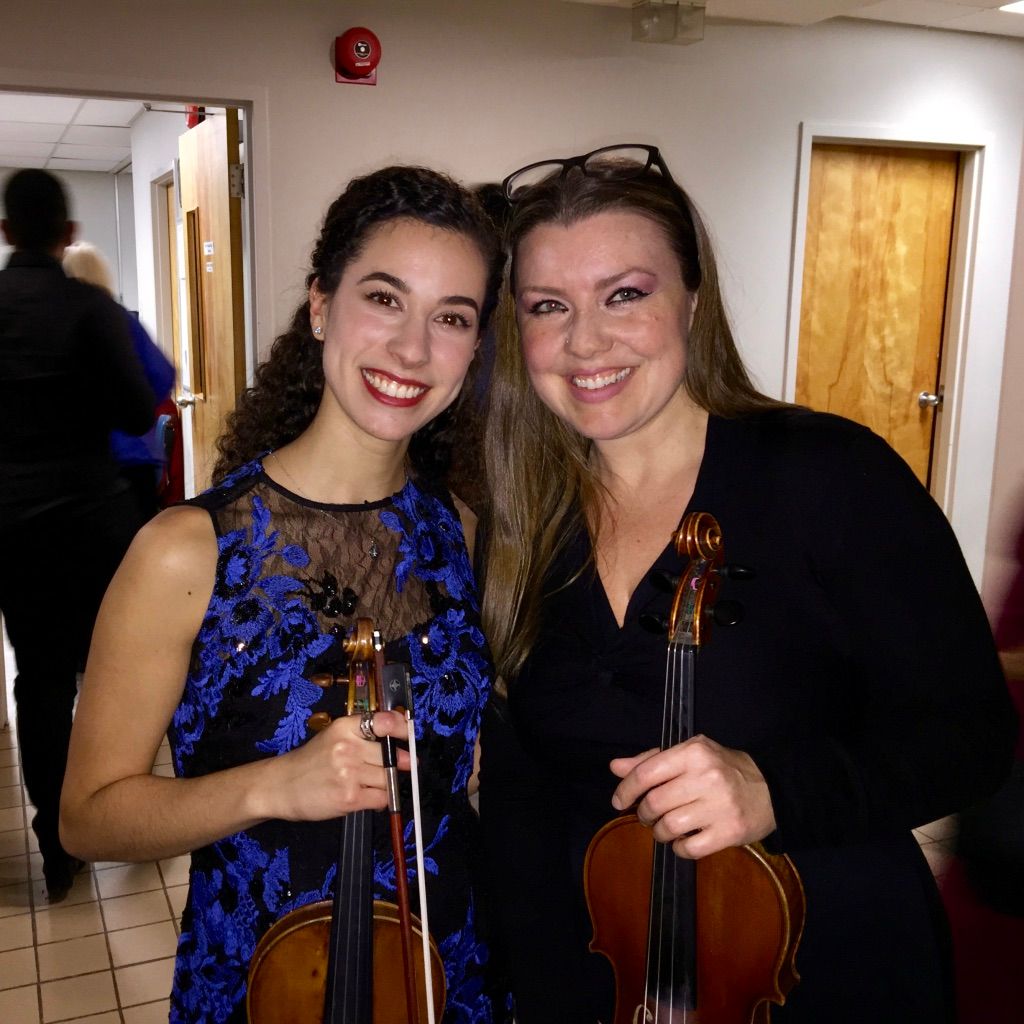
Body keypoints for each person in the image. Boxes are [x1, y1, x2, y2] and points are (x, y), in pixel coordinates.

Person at [476, 144, 1017, 1023]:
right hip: (606, 977)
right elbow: (523, 793)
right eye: (548, 306)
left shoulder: (830, 475)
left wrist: (776, 788)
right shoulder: (524, 523)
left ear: (693, 300)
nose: (585, 341)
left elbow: (973, 736)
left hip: (826, 970)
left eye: (624, 294)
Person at [60, 166, 505, 1022]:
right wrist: (272, 786)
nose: (413, 349)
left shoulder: (462, 529)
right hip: (261, 983)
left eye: (451, 317)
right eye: (385, 299)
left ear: (475, 347)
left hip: (444, 973)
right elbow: (88, 818)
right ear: (320, 305)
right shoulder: (185, 552)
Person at [0, 168, 155, 901]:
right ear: (68, 235)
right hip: (94, 524)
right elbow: (137, 411)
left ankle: (56, 846)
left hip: (12, 529)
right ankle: (122, 814)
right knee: (116, 672)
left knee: (39, 680)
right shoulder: (90, 310)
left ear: (6, 232)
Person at [62, 240, 176, 522]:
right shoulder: (121, 320)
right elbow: (163, 375)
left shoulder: (59, 325)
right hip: (135, 459)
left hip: (81, 466)